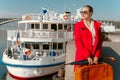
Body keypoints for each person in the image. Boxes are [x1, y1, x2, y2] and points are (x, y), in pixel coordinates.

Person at [74, 5, 103, 70]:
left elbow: (100, 42)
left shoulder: (97, 26)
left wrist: (97, 56)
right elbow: (78, 42)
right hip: (82, 57)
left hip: (94, 58)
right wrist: (88, 56)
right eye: (81, 12)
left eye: (85, 12)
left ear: (91, 13)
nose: (83, 14)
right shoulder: (78, 25)